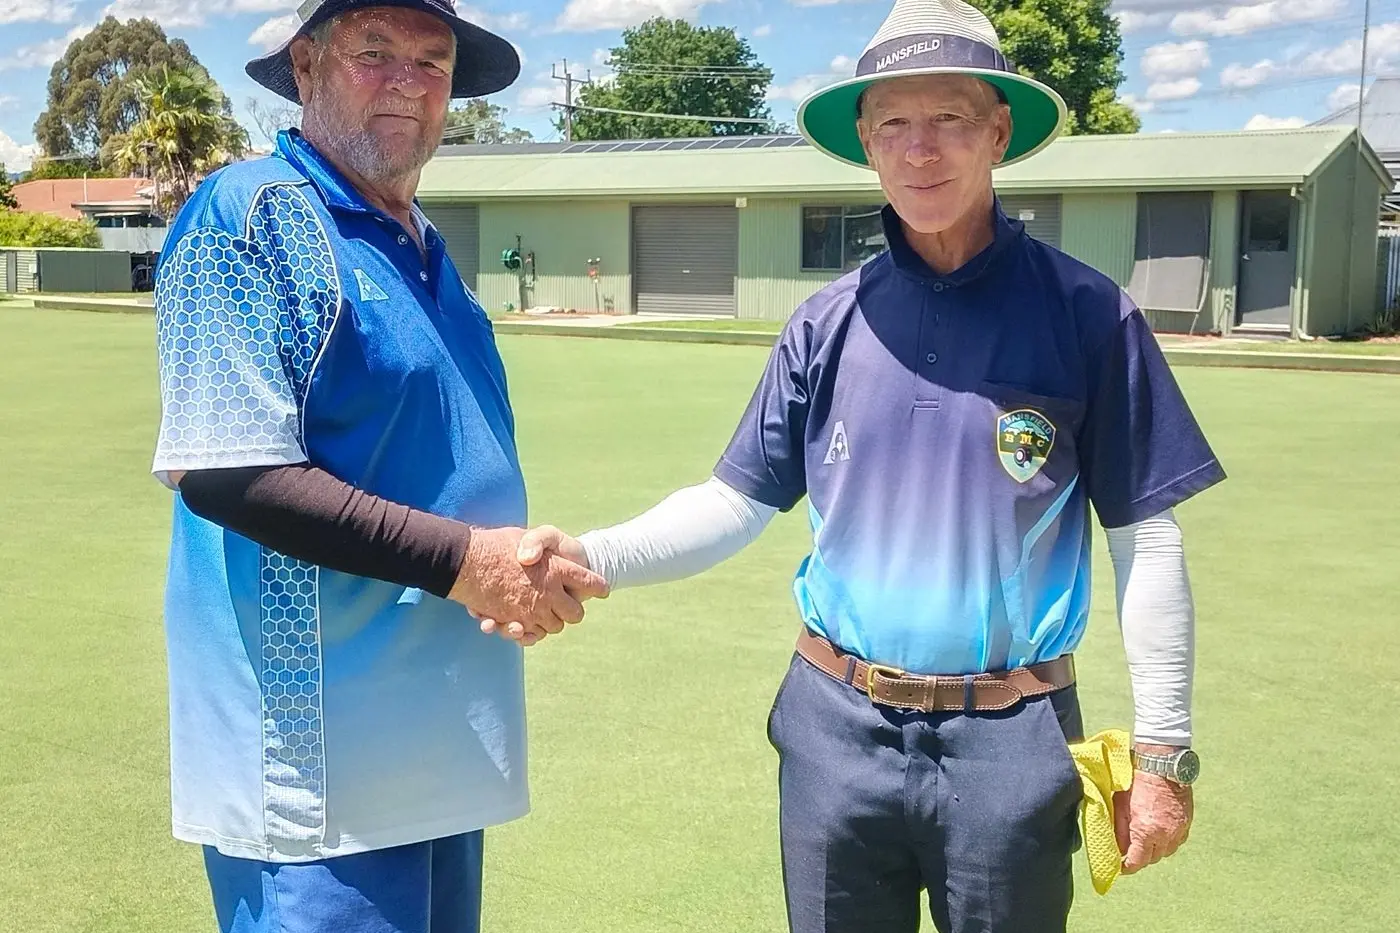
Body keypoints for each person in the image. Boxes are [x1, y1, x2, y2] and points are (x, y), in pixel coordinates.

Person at [490, 0, 1224, 930]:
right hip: (835, 729)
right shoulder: (826, 322)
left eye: (949, 119)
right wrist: (587, 554)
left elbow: (1147, 540)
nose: (922, 150)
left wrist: (1165, 751)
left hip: (1011, 737)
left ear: (998, 131)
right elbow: (732, 503)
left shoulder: (1088, 314)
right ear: (867, 146)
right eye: (894, 125)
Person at [148, 2, 608, 931]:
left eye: (432, 62)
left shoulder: (420, 241)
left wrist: (505, 563)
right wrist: (467, 562)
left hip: (437, 749)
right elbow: (230, 475)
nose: (409, 82)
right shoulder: (246, 217)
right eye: (375, 54)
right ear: (307, 65)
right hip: (317, 779)